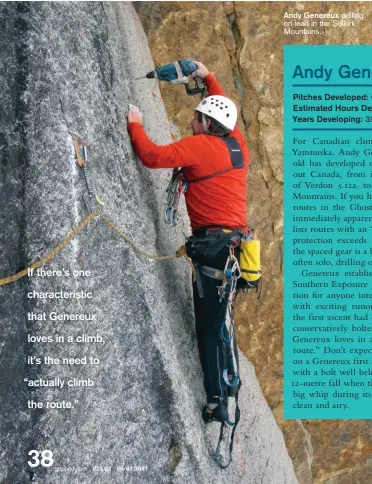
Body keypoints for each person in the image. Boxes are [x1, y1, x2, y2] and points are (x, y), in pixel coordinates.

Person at [127, 61, 249, 423]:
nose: (192, 120)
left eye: (197, 118)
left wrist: (135, 123)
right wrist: (207, 74)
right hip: (233, 247)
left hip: (213, 252)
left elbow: (152, 156)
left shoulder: (200, 147)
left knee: (208, 329)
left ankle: (217, 403)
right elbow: (221, 102)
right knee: (219, 320)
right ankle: (229, 382)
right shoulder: (236, 143)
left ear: (208, 126)